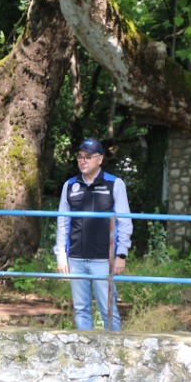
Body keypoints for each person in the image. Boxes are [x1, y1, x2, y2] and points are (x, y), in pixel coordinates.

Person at [55, 138, 132, 331]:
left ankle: (114, 352)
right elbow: (62, 222)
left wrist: (121, 254)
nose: (83, 161)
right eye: (80, 157)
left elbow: (124, 220)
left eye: (88, 157)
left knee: (108, 309)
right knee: (81, 309)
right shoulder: (69, 185)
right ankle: (85, 352)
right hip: (75, 257)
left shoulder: (115, 184)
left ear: (100, 159)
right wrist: (61, 255)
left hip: (103, 259)